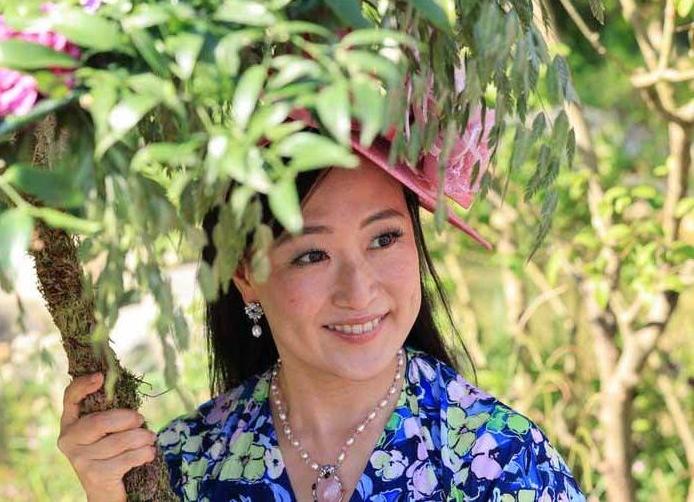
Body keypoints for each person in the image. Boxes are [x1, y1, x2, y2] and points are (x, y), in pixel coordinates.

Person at [57, 111, 587, 501]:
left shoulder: (500, 458)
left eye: (384, 239)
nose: (359, 292)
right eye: (312, 253)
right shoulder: (186, 461)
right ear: (246, 274)